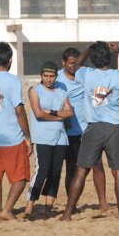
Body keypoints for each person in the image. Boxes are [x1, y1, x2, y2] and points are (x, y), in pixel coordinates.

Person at [61, 41, 119, 221]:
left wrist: (89, 48)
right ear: (109, 58)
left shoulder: (86, 74)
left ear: (93, 58)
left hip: (93, 127)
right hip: (115, 127)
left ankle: (67, 214)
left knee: (81, 171)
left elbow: (76, 65)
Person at [0, 42, 33, 221]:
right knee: (21, 177)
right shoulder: (13, 80)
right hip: (12, 136)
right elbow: (19, 110)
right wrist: (27, 136)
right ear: (10, 60)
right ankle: (7, 209)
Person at [57, 47, 109, 211]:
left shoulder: (87, 75)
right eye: (70, 63)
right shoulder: (57, 78)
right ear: (63, 63)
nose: (73, 67)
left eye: (76, 63)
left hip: (88, 128)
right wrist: (61, 119)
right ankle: (71, 204)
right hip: (69, 131)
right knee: (72, 168)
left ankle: (103, 202)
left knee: (97, 165)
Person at [26, 61, 74, 216]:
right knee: (42, 170)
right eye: (45, 76)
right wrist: (59, 117)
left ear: (56, 76)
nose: (48, 79)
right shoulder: (35, 90)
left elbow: (70, 113)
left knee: (56, 172)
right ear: (41, 76)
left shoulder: (61, 90)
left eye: (52, 76)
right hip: (42, 137)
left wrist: (53, 112)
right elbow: (38, 114)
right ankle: (30, 205)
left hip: (60, 137)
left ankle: (48, 206)